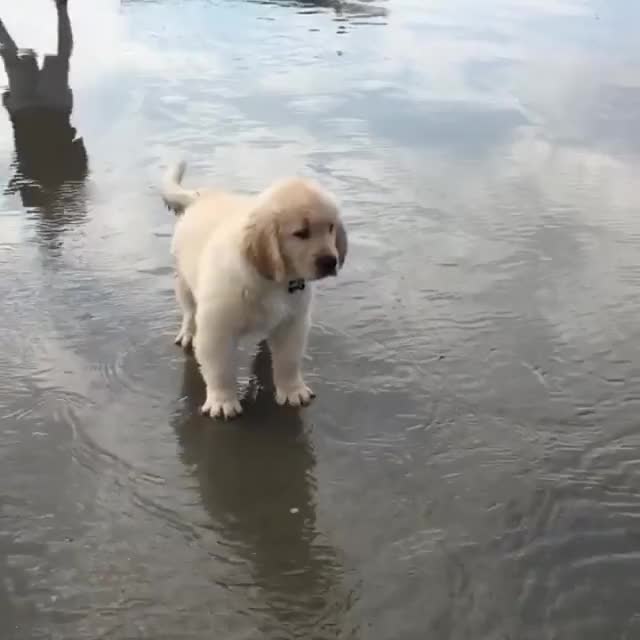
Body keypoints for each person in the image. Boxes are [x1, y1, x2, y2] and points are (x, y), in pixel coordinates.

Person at [0, 0, 88, 234]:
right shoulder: (63, 200)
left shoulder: (62, 199)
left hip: (41, 112)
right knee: (18, 59)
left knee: (17, 59)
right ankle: (61, 8)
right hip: (40, 112)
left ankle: (61, 8)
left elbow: (79, 154)